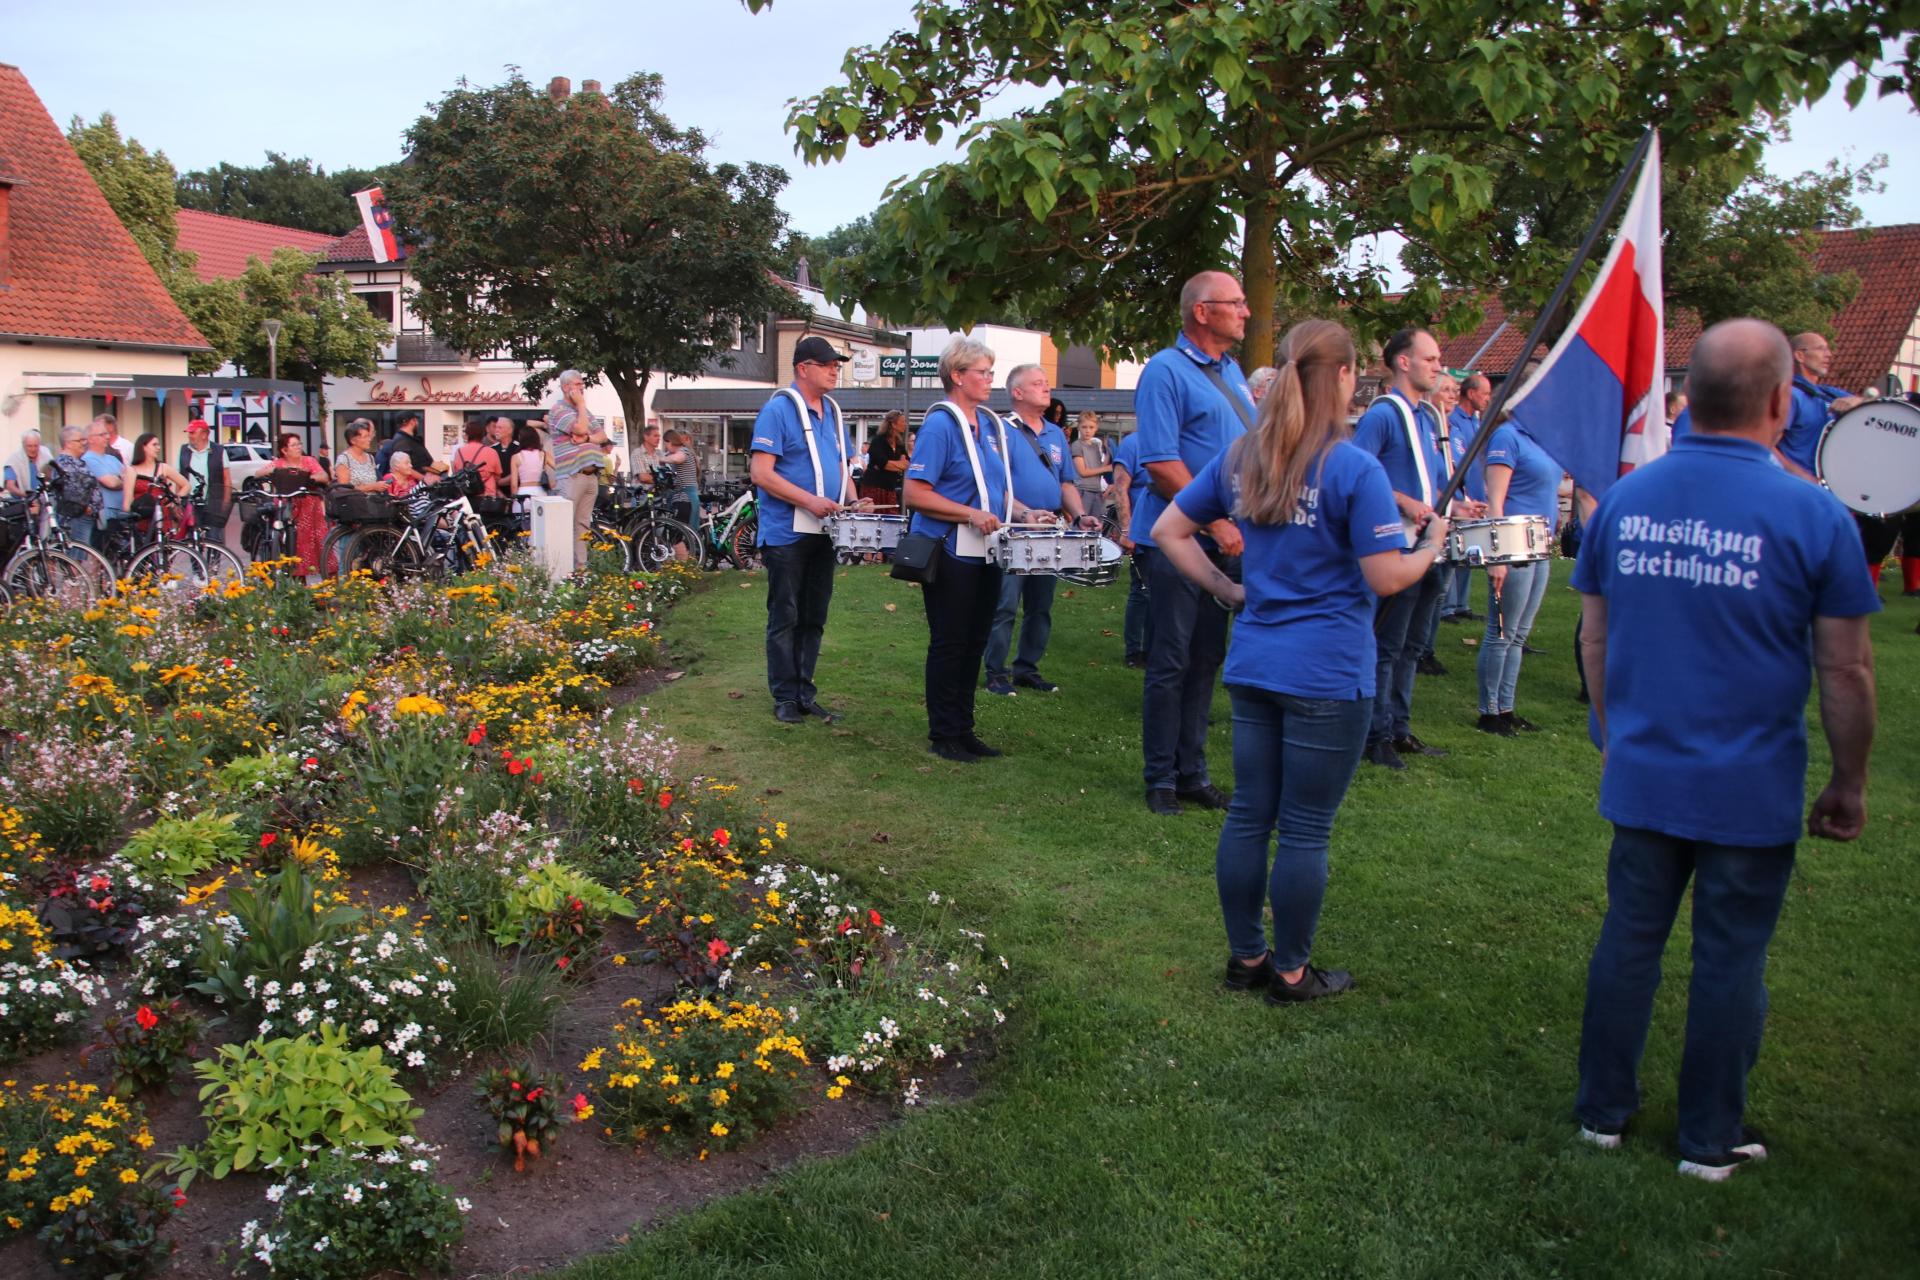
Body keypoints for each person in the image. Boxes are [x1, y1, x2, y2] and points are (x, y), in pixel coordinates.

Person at [1572, 317, 1879, 1181]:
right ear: (1784, 402)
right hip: (1747, 781)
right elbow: (1847, 670)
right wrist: (1849, 781)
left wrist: (1611, 731)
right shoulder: (1813, 513)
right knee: (1731, 956)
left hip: (1645, 768)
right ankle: (1707, 1139)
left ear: (1691, 396)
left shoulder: (1626, 498)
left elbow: (1593, 638)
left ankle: (1602, 1111)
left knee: (1629, 938)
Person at [1154, 318, 1448, 1002]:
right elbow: (1386, 578)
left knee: (1252, 812)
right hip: (1327, 672)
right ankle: (1289, 970)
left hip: (1257, 663)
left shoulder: (1242, 457)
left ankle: (1246, 957)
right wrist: (1431, 544)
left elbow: (1170, 529)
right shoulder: (1351, 467)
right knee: (1305, 828)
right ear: (1345, 376)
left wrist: (1229, 587)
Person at [1133, 271, 1255, 815]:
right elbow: (1160, 464)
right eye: (1236, 303)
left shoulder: (1234, 372)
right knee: (1171, 660)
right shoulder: (1166, 371)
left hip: (1229, 540)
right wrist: (1214, 523)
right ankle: (1160, 778)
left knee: (1208, 658)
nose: (1246, 312)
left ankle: (1192, 773)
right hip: (1181, 539)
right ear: (1202, 312)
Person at [904, 335, 1014, 762]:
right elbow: (915, 492)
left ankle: (964, 728)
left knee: (974, 641)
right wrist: (967, 514)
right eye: (982, 372)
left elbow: (989, 489)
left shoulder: (986, 425)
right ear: (957, 375)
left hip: (984, 551)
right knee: (950, 641)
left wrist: (1025, 511)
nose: (990, 380)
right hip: (950, 551)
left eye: (991, 371)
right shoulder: (941, 424)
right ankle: (943, 733)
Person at [1352, 326, 1456, 770]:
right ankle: (1375, 736)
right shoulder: (1384, 414)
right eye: (1430, 358)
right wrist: (1405, 501)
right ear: (1403, 362)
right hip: (1395, 545)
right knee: (1388, 644)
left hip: (1426, 543)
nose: (1438, 366)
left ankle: (1399, 726)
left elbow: (1426, 479)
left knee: (1414, 644)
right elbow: (1359, 471)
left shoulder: (1425, 418)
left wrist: (1459, 506)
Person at [750, 336, 853, 724]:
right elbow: (761, 473)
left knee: (814, 615)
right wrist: (809, 500)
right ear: (803, 368)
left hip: (822, 532)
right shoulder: (779, 410)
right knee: (785, 616)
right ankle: (785, 696)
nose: (834, 369)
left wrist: (852, 499)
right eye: (827, 363)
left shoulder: (833, 412)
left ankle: (805, 692)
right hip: (787, 533)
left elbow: (839, 466)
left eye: (836, 364)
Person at [984, 363, 1097, 697]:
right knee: (1005, 603)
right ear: (1017, 392)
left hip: (1049, 531)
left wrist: (1078, 516)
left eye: (1046, 383)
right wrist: (1024, 513)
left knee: (1040, 604)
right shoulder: (1000, 431)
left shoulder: (1055, 433)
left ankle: (1026, 668)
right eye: (1038, 383)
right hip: (1014, 529)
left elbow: (1065, 483)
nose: (1046, 388)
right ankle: (995, 671)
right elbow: (994, 485)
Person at [1472, 411, 1565, 735]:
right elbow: (1495, 500)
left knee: (1518, 633)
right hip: (1514, 545)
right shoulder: (1508, 437)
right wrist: (1497, 557)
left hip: (1539, 544)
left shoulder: (1540, 438)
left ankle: (1506, 707)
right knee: (1501, 631)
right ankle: (1489, 711)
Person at [1440, 373, 1492, 622]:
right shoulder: (1455, 420)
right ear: (1472, 394)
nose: (1488, 399)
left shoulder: (1476, 421)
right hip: (1460, 496)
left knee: (1470, 550)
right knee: (1453, 549)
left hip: (1474, 496)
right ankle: (1446, 606)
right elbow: (1458, 460)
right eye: (1485, 394)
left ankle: (1462, 603)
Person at [549, 406, 614, 574]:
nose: (581, 390)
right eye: (577, 386)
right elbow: (580, 429)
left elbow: (602, 437)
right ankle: (563, 569)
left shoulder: (585, 412)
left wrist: (587, 437)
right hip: (574, 475)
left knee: (583, 524)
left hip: (591, 477)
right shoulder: (561, 411)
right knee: (567, 524)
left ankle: (581, 569)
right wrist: (579, 404)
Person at [1110, 428, 1152, 668]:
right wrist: (1127, 530)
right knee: (1143, 590)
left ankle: (1156, 647)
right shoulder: (1133, 443)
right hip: (1143, 533)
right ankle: (1136, 651)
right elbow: (1121, 488)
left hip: (1173, 534)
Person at [271, 433, 329, 576]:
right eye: (294, 445)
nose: (298, 447)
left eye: (299, 444)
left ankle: (327, 583)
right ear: (284, 450)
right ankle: (297, 578)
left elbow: (324, 476)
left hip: (309, 507)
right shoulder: (279, 463)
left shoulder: (309, 461)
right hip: (288, 505)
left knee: (318, 542)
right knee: (294, 543)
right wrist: (274, 472)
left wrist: (307, 477)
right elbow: (259, 472)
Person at [126, 433, 191, 538]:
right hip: (141, 517)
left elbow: (186, 485)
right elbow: (127, 500)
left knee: (162, 548)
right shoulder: (132, 470)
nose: (158, 448)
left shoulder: (163, 468)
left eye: (159, 444)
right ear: (144, 447)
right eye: (154, 445)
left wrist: (175, 500)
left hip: (161, 515)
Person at [48, 426, 103, 547]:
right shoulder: (64, 463)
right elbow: (72, 490)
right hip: (76, 517)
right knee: (76, 558)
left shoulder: (77, 462)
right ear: (68, 444)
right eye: (80, 440)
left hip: (83, 517)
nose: (84, 443)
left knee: (80, 557)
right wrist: (86, 508)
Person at [178, 418, 227, 537]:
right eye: (189, 433)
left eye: (193, 432)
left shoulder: (219, 451)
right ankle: (195, 556)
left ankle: (214, 555)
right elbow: (179, 479)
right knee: (192, 540)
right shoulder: (184, 450)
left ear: (204, 434)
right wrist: (178, 502)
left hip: (213, 502)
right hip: (191, 503)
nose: (190, 436)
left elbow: (226, 479)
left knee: (214, 539)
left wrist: (225, 504)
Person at [82, 420, 128, 546]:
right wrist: (122, 479)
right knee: (103, 555)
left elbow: (129, 478)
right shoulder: (88, 459)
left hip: (121, 513)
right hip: (105, 515)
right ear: (91, 439)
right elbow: (111, 483)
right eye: (102, 434)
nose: (107, 437)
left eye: (107, 434)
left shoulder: (112, 458)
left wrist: (120, 479)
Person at [859, 411, 909, 510]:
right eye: (903, 421)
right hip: (873, 487)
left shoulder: (899, 443)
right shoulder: (878, 441)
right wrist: (898, 465)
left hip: (890, 488)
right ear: (893, 424)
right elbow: (883, 464)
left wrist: (891, 465)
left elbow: (907, 463)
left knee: (890, 520)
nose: (905, 424)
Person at [1069, 412, 1110, 527]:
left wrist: (1108, 455)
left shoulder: (1095, 446)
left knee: (1097, 526)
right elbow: (1082, 472)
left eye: (1091, 427)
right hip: (1083, 490)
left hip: (1097, 491)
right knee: (1082, 526)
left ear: (1096, 428)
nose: (1087, 430)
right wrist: (1106, 468)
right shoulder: (1077, 445)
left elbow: (1099, 468)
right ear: (1079, 427)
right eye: (1084, 427)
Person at [449, 421, 505, 499]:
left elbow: (456, 473)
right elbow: (498, 477)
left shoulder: (459, 452)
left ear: (467, 434)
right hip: (487, 496)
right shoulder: (491, 452)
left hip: (466, 496)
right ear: (482, 434)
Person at [375, 413, 440, 480]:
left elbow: (422, 463)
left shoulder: (411, 440)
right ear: (412, 422)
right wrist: (425, 479)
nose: (417, 423)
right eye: (416, 421)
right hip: (414, 485)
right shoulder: (401, 441)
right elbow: (403, 466)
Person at [667, 428, 703, 530]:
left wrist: (660, 458)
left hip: (683, 497)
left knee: (679, 532)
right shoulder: (693, 455)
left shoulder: (684, 452)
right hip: (691, 497)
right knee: (690, 530)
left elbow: (675, 459)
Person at [334, 420, 385, 492]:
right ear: (353, 440)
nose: (369, 439)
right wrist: (372, 487)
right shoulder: (344, 459)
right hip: (354, 501)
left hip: (374, 500)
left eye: (369, 436)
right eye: (365, 437)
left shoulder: (370, 458)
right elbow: (343, 490)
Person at [3, 429, 46, 498]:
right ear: (23, 445)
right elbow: (10, 486)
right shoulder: (14, 460)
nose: (33, 449)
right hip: (22, 501)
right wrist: (26, 496)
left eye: (36, 446)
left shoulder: (46, 457)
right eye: (30, 446)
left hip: (43, 500)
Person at [510, 424, 550, 496]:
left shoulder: (516, 457)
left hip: (523, 492)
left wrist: (514, 497)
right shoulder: (543, 454)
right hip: (540, 493)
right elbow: (558, 468)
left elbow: (513, 485)